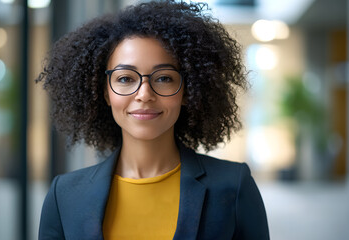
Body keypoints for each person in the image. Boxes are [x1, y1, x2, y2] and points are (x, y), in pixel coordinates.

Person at [37, 1, 269, 239]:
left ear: (187, 90)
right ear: (105, 92)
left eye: (164, 78)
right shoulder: (63, 196)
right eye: (126, 79)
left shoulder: (234, 186)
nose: (144, 94)